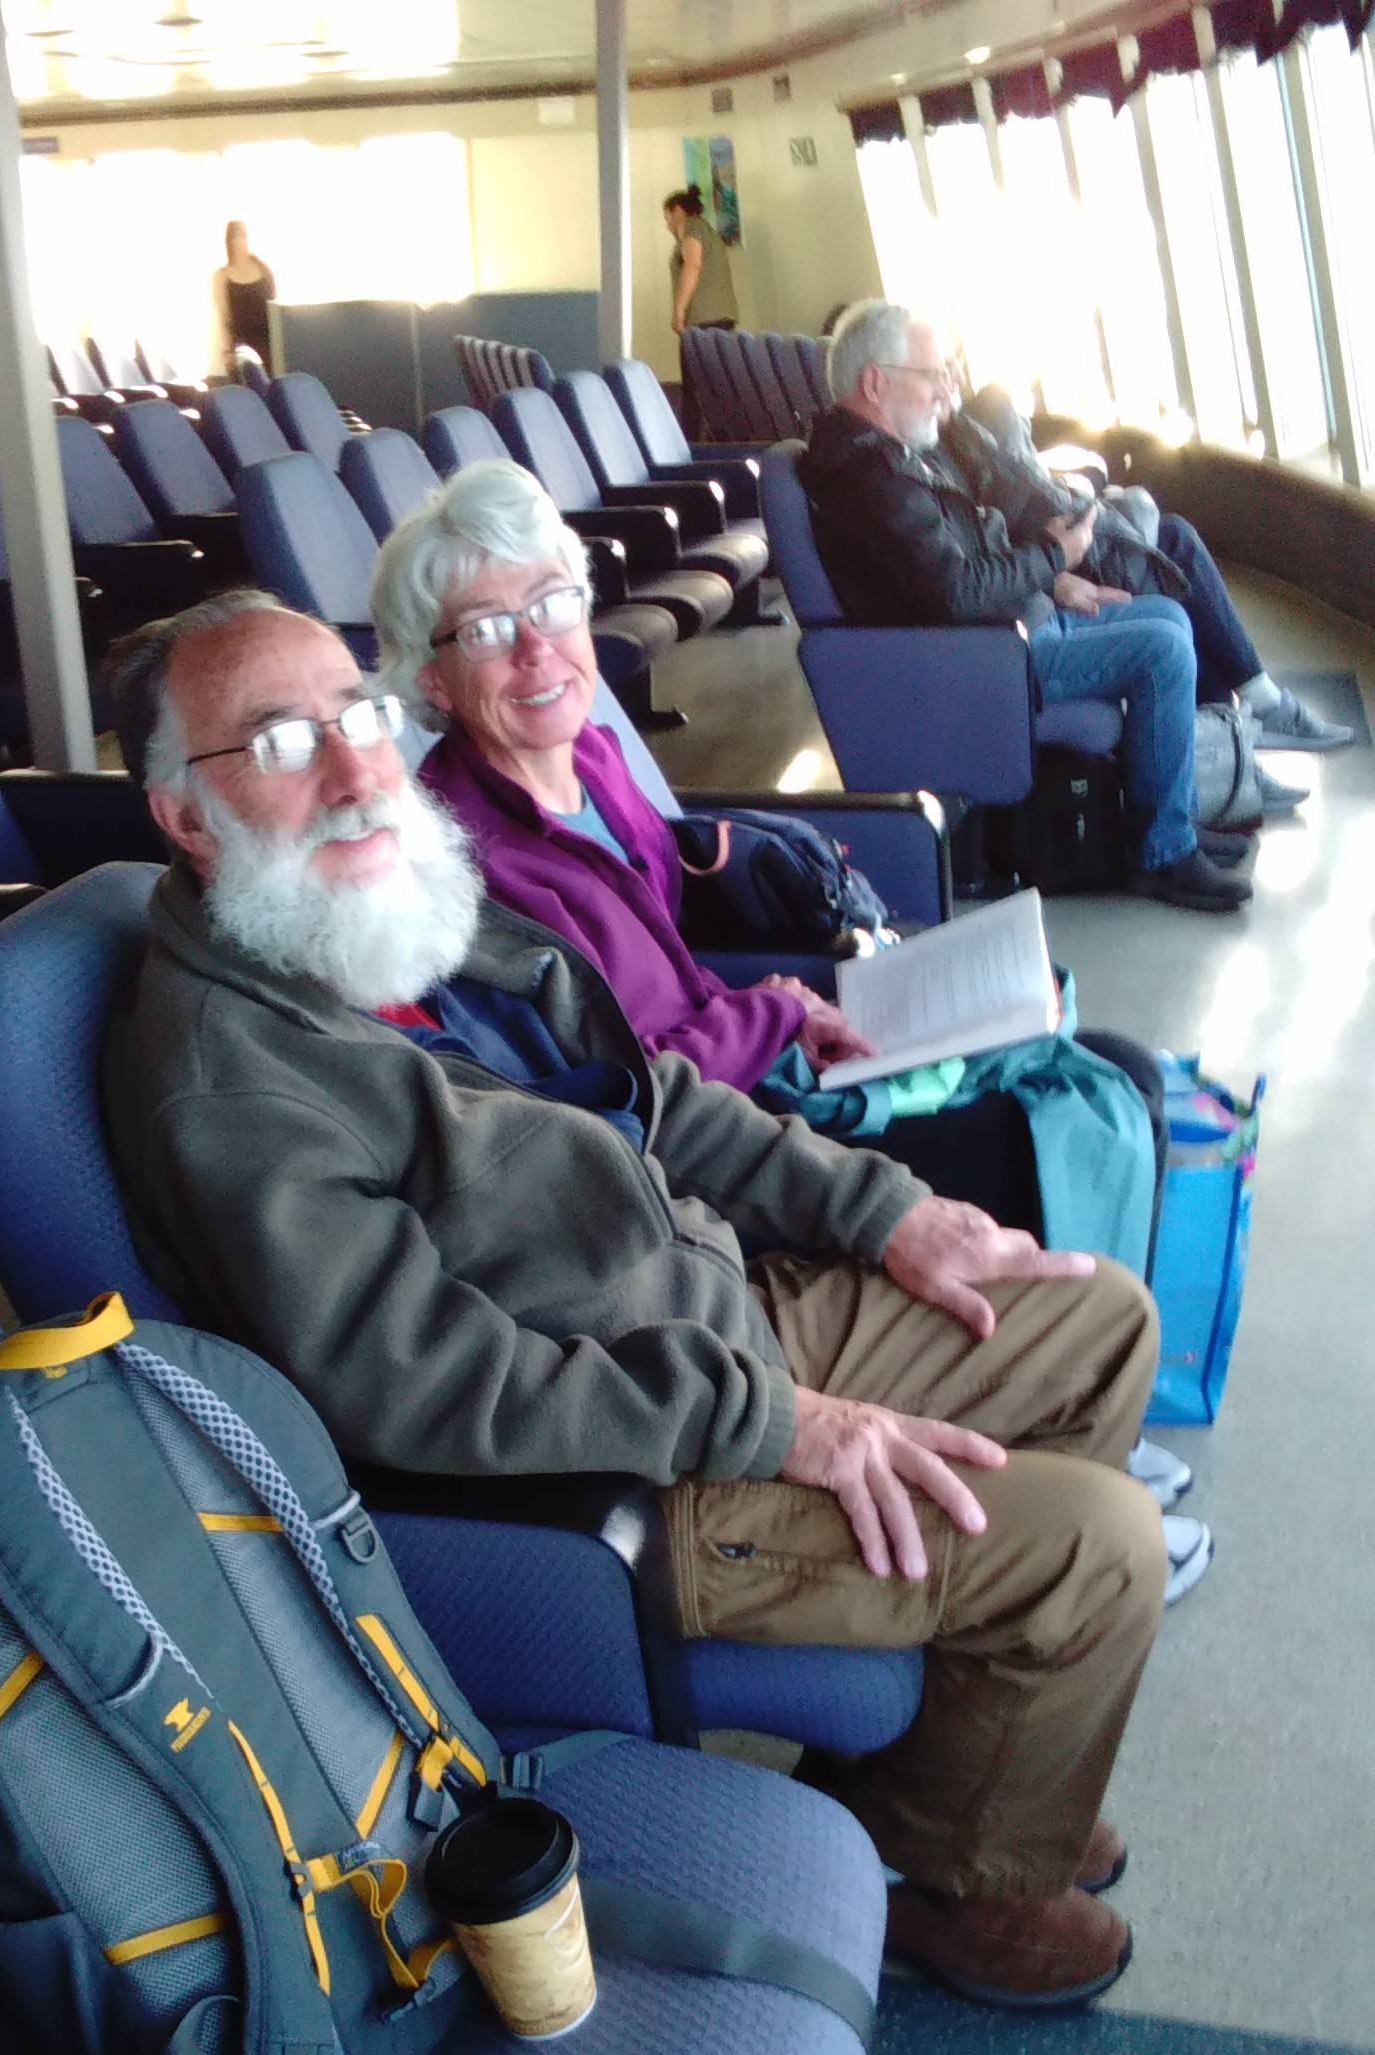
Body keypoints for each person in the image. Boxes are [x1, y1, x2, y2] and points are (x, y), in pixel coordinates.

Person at [102, 587, 1172, 2015]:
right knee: (1100, 1547)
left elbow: (652, 1094)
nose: (358, 769)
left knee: (1100, 1322)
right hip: (620, 1466)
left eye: (357, 714)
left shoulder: (396, 914)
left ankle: (963, 1782)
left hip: (705, 1313)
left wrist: (886, 1211)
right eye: (283, 742)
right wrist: (777, 1422)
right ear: (186, 815)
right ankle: (956, 1881)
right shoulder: (229, 1084)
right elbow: (429, 1388)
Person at [368, 455, 1211, 1604]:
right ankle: (1065, 1440)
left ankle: (1084, 1410)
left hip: (755, 1061)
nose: (536, 648)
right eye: (486, 628)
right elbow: (620, 1092)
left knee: (1117, 1066)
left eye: (553, 602)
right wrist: (773, 1009)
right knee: (1047, 1126)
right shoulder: (469, 868)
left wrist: (743, 909)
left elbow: (665, 931)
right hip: (714, 1149)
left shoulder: (593, 755)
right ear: (431, 675)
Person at [799, 300, 1254, 915]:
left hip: (1004, 626)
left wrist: (1056, 580)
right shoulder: (870, 478)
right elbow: (957, 593)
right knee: (1164, 649)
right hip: (979, 657)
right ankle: (1164, 853)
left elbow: (958, 562)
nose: (947, 392)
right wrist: (1054, 554)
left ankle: (1170, 821)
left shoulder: (889, 455)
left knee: (1168, 616)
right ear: (875, 383)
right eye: (933, 376)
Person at [955, 380, 1351, 756]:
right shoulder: (971, 430)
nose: (948, 382)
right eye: (936, 374)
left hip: (1037, 571)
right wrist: (1051, 572)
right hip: (1034, 592)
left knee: (1172, 544)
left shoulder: (952, 445)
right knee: (1171, 560)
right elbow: (970, 574)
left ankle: (1231, 727)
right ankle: (1245, 713)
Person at [664, 184, 735, 437]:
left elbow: (692, 266)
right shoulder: (706, 230)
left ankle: (690, 442)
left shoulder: (692, 227)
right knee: (715, 385)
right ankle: (720, 438)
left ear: (678, 211)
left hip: (703, 321)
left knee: (694, 389)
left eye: (667, 218)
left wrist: (678, 311)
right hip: (719, 318)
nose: (667, 226)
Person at [212, 220, 276, 377]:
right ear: (228, 241)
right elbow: (223, 316)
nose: (239, 241)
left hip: (268, 341)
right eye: (235, 237)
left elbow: (274, 304)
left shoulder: (263, 268)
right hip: (241, 344)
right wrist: (227, 350)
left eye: (243, 236)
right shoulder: (222, 276)